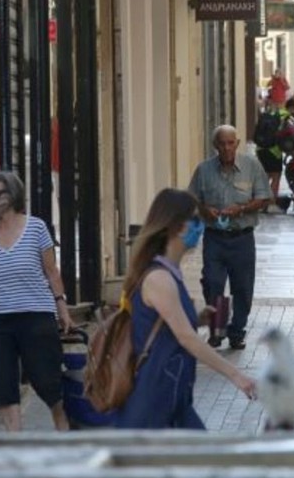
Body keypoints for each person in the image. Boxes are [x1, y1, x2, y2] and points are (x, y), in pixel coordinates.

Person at [113, 188, 257, 429]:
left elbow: (168, 325)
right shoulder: (159, 278)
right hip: (154, 401)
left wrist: (198, 319)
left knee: (200, 462)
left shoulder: (170, 272)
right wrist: (236, 376)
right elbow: (186, 338)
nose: (201, 228)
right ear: (177, 226)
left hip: (173, 397)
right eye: (196, 220)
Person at [0, 171, 74, 432]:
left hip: (36, 317)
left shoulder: (36, 228)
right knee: (4, 387)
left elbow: (52, 271)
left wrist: (62, 308)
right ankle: (16, 439)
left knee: (48, 382)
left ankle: (63, 426)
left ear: (12, 195)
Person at [188, 125, 271, 350]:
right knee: (213, 282)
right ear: (215, 145)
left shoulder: (251, 166)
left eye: (230, 143)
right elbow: (192, 200)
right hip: (214, 238)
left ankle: (237, 331)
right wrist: (205, 210)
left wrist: (242, 209)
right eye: (221, 143)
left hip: (242, 238)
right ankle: (217, 329)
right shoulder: (204, 170)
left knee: (242, 287)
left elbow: (264, 197)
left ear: (237, 143)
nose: (226, 148)